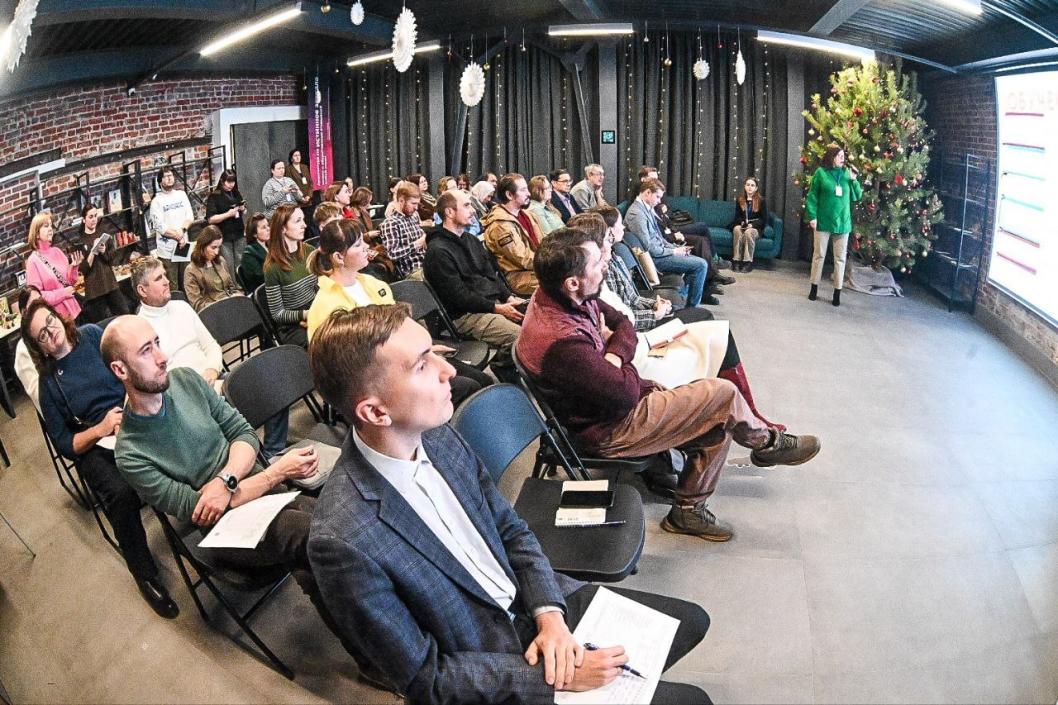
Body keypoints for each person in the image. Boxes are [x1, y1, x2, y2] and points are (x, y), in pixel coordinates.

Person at [306, 303, 713, 704]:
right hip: (490, 660)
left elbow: (510, 528)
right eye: (422, 365)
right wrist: (555, 680)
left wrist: (549, 612)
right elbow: (424, 678)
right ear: (376, 411)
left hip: (534, 603)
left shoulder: (438, 436)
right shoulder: (342, 539)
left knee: (692, 620)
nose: (449, 371)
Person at [518, 227, 820, 541]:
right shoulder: (563, 342)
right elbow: (625, 393)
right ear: (573, 282)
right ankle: (766, 444)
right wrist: (619, 356)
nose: (605, 265)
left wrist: (614, 355)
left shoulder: (563, 294)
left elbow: (623, 322)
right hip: (607, 429)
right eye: (597, 263)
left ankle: (689, 510)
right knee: (723, 395)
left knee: (718, 412)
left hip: (612, 407)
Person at [101, 315, 325, 625]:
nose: (162, 357)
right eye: (146, 351)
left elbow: (244, 435)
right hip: (226, 529)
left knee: (322, 533)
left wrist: (225, 480)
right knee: (312, 532)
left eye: (158, 343)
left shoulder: (186, 380)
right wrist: (276, 473)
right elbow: (203, 510)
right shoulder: (130, 453)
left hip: (256, 490)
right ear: (120, 370)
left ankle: (368, 639)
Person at [21, 299, 177, 618]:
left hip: (131, 410)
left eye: (50, 322)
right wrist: (100, 429)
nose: (50, 333)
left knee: (176, 440)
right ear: (39, 348)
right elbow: (66, 444)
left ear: (58, 317)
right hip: (95, 442)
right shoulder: (50, 384)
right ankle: (144, 574)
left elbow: (128, 367)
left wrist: (131, 407)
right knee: (120, 494)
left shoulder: (92, 336)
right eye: (41, 335)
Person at [581, 208, 784, 431]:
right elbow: (624, 323)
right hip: (640, 345)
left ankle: (744, 413)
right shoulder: (597, 282)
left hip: (637, 338)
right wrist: (654, 314)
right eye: (608, 239)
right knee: (711, 325)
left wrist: (654, 304)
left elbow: (629, 303)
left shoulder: (611, 263)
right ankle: (744, 415)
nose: (615, 237)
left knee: (712, 325)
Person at [305, 219, 491, 404]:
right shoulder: (325, 307)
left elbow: (398, 327)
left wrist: (424, 350)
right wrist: (414, 356)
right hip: (380, 380)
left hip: (406, 359)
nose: (366, 247)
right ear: (339, 257)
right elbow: (348, 368)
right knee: (469, 388)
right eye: (358, 244)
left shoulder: (372, 283)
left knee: (484, 382)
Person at [133, 256, 290, 459]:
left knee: (274, 382)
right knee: (229, 414)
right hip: (185, 395)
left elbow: (211, 345)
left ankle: (271, 453)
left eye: (165, 275)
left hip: (213, 377)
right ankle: (251, 458)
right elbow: (158, 378)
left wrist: (212, 370)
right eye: (158, 278)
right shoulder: (140, 329)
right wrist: (199, 385)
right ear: (142, 290)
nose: (167, 281)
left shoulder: (181, 307)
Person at [424, 189, 524, 376]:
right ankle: (502, 367)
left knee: (535, 322)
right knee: (520, 336)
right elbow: (459, 297)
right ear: (449, 212)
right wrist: (496, 308)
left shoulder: (470, 239)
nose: (473, 210)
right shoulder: (438, 251)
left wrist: (508, 297)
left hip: (490, 304)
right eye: (466, 205)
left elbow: (492, 275)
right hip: (466, 315)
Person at [626, 180, 714, 307]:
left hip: (659, 254)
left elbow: (659, 238)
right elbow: (649, 248)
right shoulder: (636, 214)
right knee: (701, 265)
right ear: (648, 192)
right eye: (657, 197)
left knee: (694, 257)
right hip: (655, 259)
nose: (659, 201)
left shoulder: (645, 209)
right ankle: (692, 307)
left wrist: (676, 247)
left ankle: (683, 300)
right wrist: (674, 251)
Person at [806, 144, 863, 307]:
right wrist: (812, 216)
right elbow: (812, 196)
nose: (842, 158)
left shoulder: (847, 174)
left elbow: (857, 196)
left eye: (844, 156)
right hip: (823, 220)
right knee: (819, 255)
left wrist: (854, 180)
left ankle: (837, 292)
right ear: (831, 157)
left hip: (842, 223)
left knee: (840, 258)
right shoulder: (821, 173)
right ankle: (814, 288)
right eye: (839, 156)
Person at [482, 173, 545, 296]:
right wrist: (551, 262)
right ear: (509, 195)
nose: (528, 193)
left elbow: (544, 242)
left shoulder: (527, 215)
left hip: (536, 267)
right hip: (519, 276)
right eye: (523, 190)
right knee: (564, 282)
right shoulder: (500, 225)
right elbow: (522, 258)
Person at [263, 203, 317, 346]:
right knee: (327, 342)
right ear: (283, 228)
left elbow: (320, 287)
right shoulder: (272, 268)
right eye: (298, 221)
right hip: (293, 327)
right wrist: (305, 314)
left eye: (303, 219)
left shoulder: (309, 251)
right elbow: (278, 314)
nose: (304, 225)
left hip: (316, 312)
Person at [75, 204, 130, 323]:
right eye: (90, 217)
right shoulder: (81, 242)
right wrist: (93, 252)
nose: (94, 219)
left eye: (95, 216)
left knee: (125, 313)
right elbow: (83, 269)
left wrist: (104, 251)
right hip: (94, 290)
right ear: (84, 219)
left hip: (110, 284)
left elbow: (113, 258)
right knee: (102, 323)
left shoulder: (104, 234)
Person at [26, 211, 83, 322]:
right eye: (46, 226)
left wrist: (74, 267)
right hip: (58, 319)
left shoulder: (57, 252)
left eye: (51, 225)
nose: (50, 229)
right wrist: (63, 293)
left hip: (75, 311)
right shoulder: (33, 261)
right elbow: (36, 298)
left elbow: (70, 283)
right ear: (36, 234)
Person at [146, 165, 194, 288]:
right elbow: (160, 227)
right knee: (172, 285)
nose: (169, 178)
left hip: (183, 246)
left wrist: (182, 232)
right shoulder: (156, 201)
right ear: (160, 181)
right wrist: (178, 237)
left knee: (187, 281)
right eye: (166, 176)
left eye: (171, 175)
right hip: (167, 250)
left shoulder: (181, 195)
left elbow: (190, 217)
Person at [183, 226, 241, 312]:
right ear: (202, 246)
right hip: (212, 311)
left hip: (229, 305)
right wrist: (222, 305)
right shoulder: (191, 270)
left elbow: (231, 288)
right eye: (213, 247)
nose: (216, 252)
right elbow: (197, 305)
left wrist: (238, 295)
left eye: (219, 247)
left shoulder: (221, 261)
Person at [378, 181, 427, 279]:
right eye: (413, 203)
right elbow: (392, 254)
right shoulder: (391, 223)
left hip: (427, 263)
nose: (416, 208)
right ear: (401, 201)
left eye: (417, 204)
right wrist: (417, 244)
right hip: (413, 270)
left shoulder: (413, 217)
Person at [204, 168, 247, 269]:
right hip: (224, 235)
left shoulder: (235, 193)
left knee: (241, 263)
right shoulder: (214, 196)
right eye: (229, 182)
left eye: (233, 182)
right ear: (222, 181)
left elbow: (243, 210)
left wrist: (243, 208)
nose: (231, 185)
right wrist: (228, 214)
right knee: (228, 264)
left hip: (238, 233)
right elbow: (211, 219)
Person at [13, 286, 43, 412]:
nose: (40, 307)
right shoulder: (24, 349)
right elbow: (39, 397)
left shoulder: (55, 328)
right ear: (24, 312)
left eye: (41, 301)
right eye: (34, 304)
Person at [730, 177, 768, 273]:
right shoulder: (740, 200)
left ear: (756, 188)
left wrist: (752, 225)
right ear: (745, 186)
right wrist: (742, 223)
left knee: (748, 232)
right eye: (748, 185)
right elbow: (737, 217)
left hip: (755, 227)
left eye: (752, 185)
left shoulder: (761, 201)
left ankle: (748, 262)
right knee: (737, 229)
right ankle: (736, 260)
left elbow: (763, 219)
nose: (750, 187)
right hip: (743, 224)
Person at [237, 213, 269, 293]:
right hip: (263, 292)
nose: (268, 229)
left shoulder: (271, 246)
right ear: (254, 234)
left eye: (268, 225)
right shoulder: (249, 253)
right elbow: (261, 277)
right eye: (264, 227)